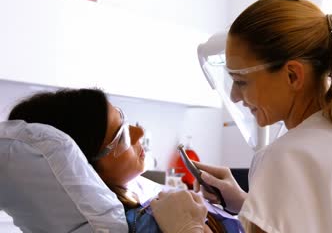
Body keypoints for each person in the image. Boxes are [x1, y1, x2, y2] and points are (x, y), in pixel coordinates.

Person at [156, 0, 332, 232]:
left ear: (292, 75)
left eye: (241, 81)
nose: (234, 96)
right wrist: (248, 204)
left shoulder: (288, 158)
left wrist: (186, 227)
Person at [7, 88, 242, 233]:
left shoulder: (146, 207)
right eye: (122, 137)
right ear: (86, 167)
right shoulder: (147, 224)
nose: (139, 134)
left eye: (126, 120)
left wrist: (245, 205)